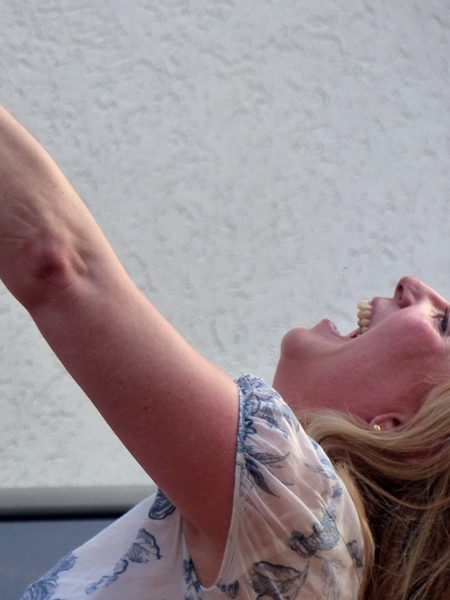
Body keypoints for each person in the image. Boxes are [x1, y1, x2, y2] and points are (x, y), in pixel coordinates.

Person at [1, 105, 450, 600]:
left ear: (400, 428)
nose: (414, 285)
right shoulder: (307, 553)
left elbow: (54, 261)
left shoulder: (301, 514)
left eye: (444, 324)